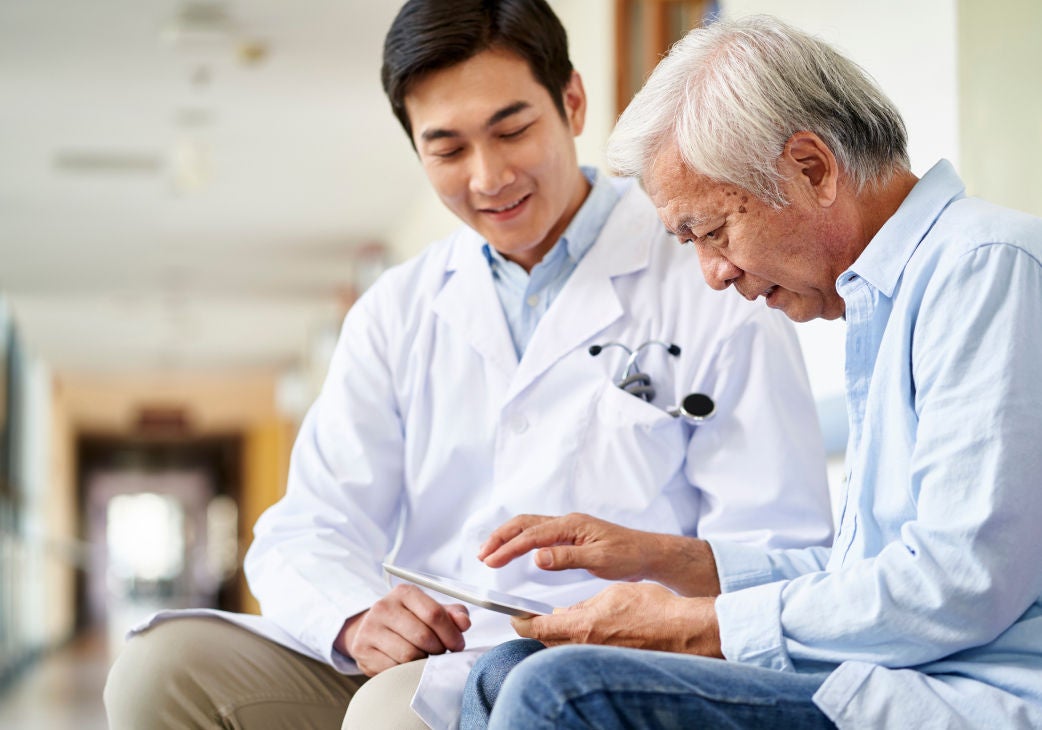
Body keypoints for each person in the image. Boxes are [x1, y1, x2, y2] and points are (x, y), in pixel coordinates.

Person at [103, 4, 834, 729]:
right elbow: (309, 526)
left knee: (392, 715)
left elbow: (774, 542)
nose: (489, 178)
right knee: (161, 670)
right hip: (433, 654)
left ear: (572, 103)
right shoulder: (398, 309)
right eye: (448, 150)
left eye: (512, 130)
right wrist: (358, 617)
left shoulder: (711, 276)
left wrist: (663, 611)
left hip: (617, 657)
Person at [459, 13, 1042, 730]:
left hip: (970, 697)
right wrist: (669, 560)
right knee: (502, 671)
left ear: (812, 168)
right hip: (895, 675)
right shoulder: (886, 305)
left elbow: (957, 584)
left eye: (711, 231)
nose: (712, 273)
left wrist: (691, 625)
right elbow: (867, 577)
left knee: (564, 694)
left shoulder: (985, 268)